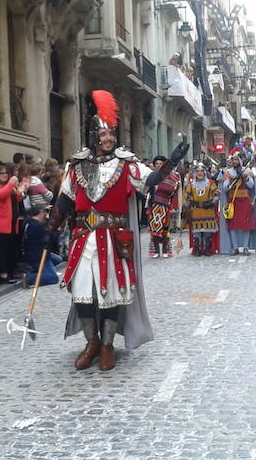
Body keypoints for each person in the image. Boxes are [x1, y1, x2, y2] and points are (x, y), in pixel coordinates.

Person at [45, 90, 188, 371]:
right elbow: (65, 199)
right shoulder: (77, 165)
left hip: (114, 239)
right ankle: (92, 343)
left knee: (110, 294)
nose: (108, 138)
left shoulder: (127, 163)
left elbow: (152, 181)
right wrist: (50, 227)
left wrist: (171, 163)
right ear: (93, 137)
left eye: (111, 133)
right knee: (83, 293)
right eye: (102, 134)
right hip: (84, 238)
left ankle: (108, 345)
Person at [0, 163, 25, 283]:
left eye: (6, 173)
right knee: (1, 250)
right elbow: (1, 195)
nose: (4, 175)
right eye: (1, 173)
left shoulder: (8, 186)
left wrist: (21, 190)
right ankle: (2, 275)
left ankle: (9, 271)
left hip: (11, 222)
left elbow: (17, 198)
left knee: (9, 249)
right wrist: (11, 183)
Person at [145, 155, 180, 258]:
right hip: (153, 205)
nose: (159, 166)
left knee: (165, 229)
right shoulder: (150, 176)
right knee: (154, 229)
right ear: (154, 165)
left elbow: (174, 192)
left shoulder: (172, 177)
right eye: (157, 164)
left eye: (161, 164)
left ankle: (165, 249)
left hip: (166, 205)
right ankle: (155, 250)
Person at [183, 162, 219, 256]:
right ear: (195, 173)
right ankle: (197, 249)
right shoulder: (191, 185)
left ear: (204, 172)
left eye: (201, 171)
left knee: (208, 232)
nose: (199, 173)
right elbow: (187, 197)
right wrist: (186, 206)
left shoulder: (210, 183)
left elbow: (217, 195)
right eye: (197, 171)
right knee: (197, 232)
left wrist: (212, 202)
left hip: (208, 210)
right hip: (196, 211)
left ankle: (207, 249)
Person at [22, 206, 62, 286]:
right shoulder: (39, 227)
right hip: (40, 256)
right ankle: (30, 277)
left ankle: (43, 270)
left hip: (31, 252)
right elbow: (49, 242)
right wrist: (56, 231)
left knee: (58, 259)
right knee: (53, 278)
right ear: (41, 213)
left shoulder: (28, 222)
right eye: (45, 212)